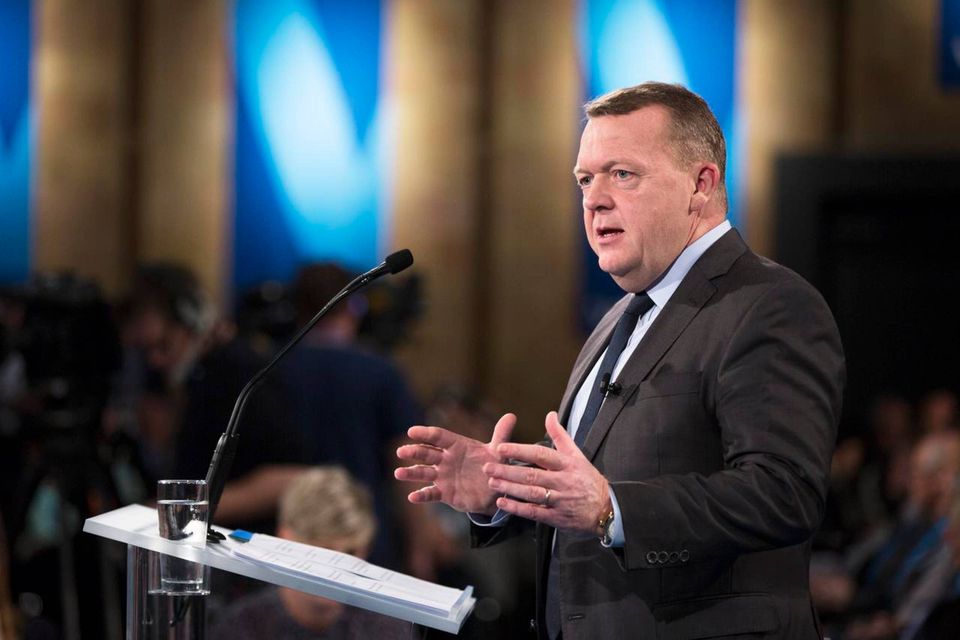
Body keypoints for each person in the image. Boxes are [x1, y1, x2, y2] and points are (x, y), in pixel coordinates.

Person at [395, 82, 845, 639]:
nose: (594, 200)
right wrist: (503, 487)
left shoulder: (769, 304)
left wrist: (612, 508)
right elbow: (604, 469)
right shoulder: (617, 320)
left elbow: (783, 493)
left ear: (701, 185)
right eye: (585, 179)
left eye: (622, 174)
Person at [211, 466, 414, 640]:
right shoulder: (242, 629)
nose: (338, 570)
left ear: (367, 547)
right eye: (324, 552)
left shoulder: (388, 627)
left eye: (350, 552)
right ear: (284, 540)